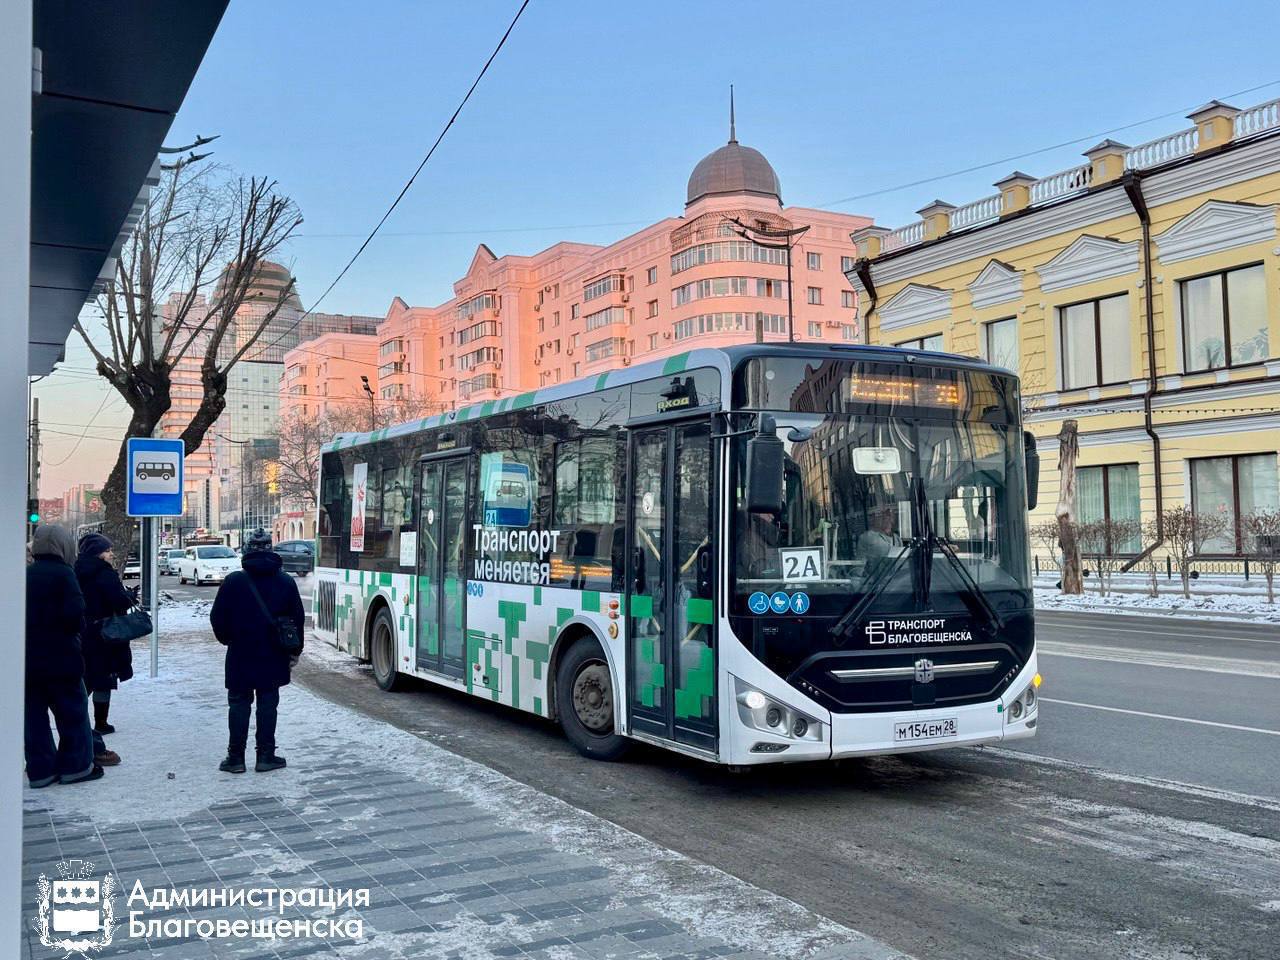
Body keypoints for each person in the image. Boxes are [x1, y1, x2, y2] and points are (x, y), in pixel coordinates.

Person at [210, 528, 304, 774]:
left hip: (241, 652)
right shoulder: (285, 581)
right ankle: (265, 755)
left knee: (238, 703)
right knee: (268, 703)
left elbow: (218, 618)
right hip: (274, 653)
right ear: (271, 549)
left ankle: (235, 758)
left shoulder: (234, 581)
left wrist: (228, 639)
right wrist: (294, 651)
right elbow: (297, 620)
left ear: (247, 549)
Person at [25, 524, 102, 786]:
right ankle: (76, 766)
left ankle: (41, 769)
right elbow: (74, 616)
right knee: (72, 713)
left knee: (33, 718)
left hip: (27, 661)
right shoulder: (64, 574)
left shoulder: (26, 574)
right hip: (61, 658)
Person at [76, 533, 134, 755]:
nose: (111, 554)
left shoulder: (75, 569)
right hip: (106, 632)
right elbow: (117, 601)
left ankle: (85, 718)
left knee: (87, 677)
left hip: (84, 631)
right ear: (98, 552)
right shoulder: (104, 573)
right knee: (103, 676)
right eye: (108, 550)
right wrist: (128, 597)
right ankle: (101, 722)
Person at [858, 506, 904, 572]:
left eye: (890, 515)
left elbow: (901, 562)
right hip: (876, 580)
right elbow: (860, 564)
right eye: (885, 515)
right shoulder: (867, 537)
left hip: (895, 579)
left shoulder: (897, 539)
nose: (888, 518)